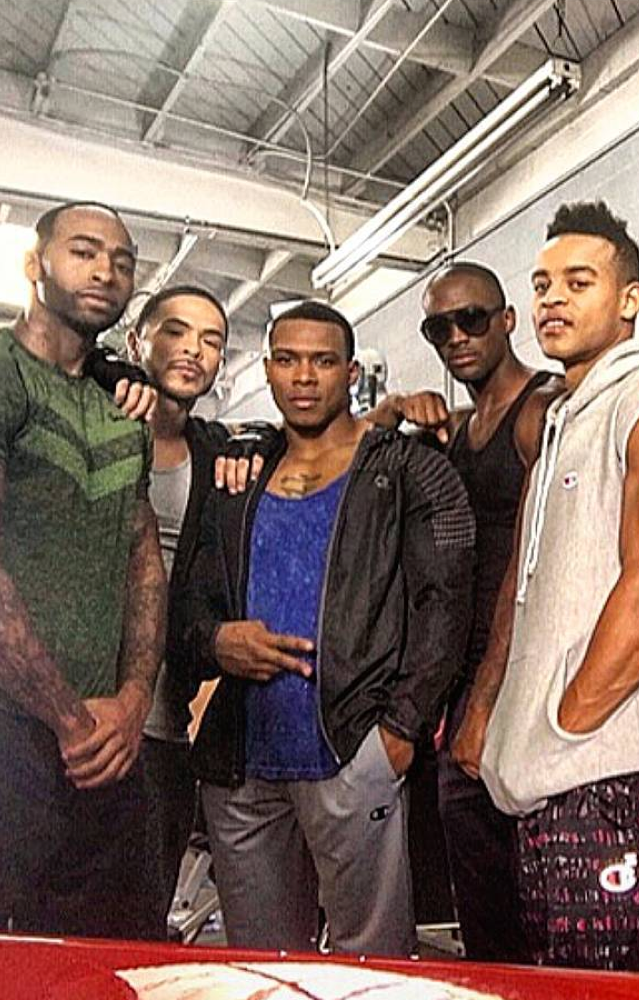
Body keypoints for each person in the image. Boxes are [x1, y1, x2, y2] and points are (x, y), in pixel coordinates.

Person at [174, 300, 475, 957]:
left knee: (373, 966)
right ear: (267, 369)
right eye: (287, 360)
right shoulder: (238, 474)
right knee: (261, 968)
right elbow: (191, 604)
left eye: (322, 361)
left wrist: (400, 729)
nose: (304, 377)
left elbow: (447, 604)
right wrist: (219, 642)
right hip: (241, 763)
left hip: (351, 749)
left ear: (350, 373)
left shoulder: (405, 469)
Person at [467, 201, 639, 973]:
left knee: (616, 988)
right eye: (542, 285)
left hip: (609, 775)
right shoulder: (565, 413)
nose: (553, 300)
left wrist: (564, 727)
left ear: (630, 298)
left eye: (578, 282)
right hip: (560, 780)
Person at [380, 262, 556, 962]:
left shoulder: (542, 407)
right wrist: (393, 408)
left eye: (471, 319)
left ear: (507, 320)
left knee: (540, 909)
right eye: (438, 328)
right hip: (462, 681)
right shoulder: (456, 428)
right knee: (483, 912)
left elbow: (538, 561)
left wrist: (489, 698)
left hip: (524, 679)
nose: (456, 336)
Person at [0, 200, 167, 939]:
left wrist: (133, 702)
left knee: (114, 958)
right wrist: (69, 719)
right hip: (17, 732)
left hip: (107, 740)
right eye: (84, 251)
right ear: (34, 265)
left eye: (122, 261)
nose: (105, 270)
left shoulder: (123, 413)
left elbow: (144, 565)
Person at [125, 284, 231, 938]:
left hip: (164, 727)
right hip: (69, 715)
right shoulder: (96, 426)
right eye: (176, 330)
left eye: (211, 339)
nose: (193, 349)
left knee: (142, 925)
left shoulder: (218, 453)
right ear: (137, 340)